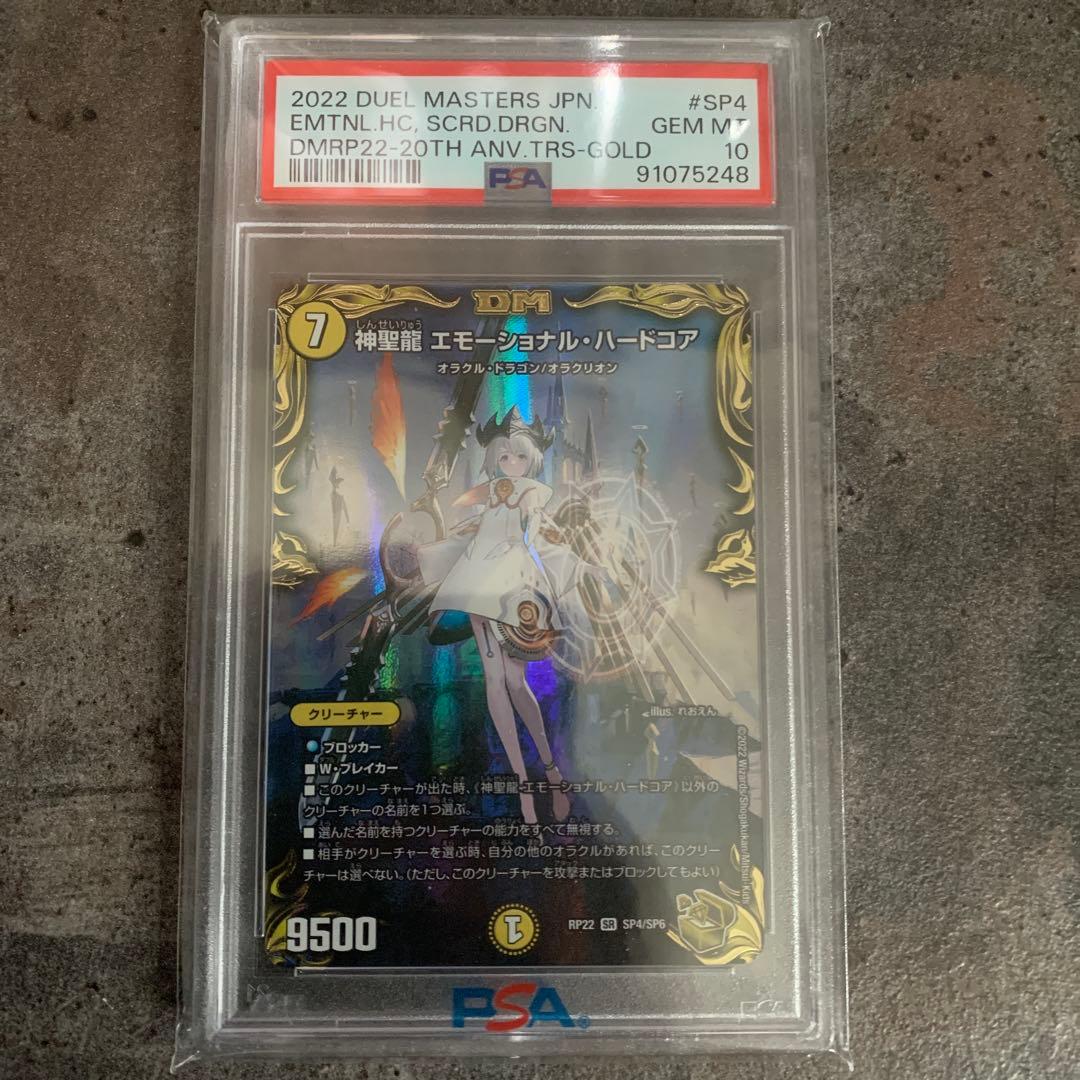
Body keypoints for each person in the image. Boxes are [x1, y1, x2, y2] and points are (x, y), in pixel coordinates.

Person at [417, 407, 605, 824]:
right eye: (504, 456)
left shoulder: (533, 495)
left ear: (532, 459)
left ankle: (551, 773)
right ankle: (523, 786)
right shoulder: (487, 495)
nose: (511, 463)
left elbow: (541, 539)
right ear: (493, 458)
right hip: (478, 583)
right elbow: (470, 531)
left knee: (516, 682)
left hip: (513, 590)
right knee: (494, 680)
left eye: (520, 456)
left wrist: (580, 567)